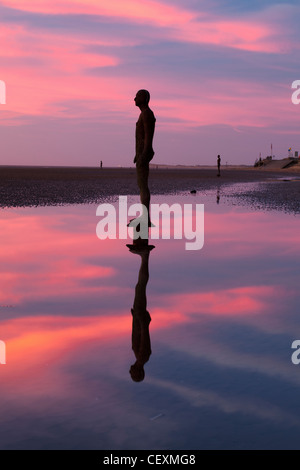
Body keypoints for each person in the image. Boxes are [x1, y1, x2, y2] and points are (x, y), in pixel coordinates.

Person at [133, 89, 156, 227]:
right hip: (141, 154)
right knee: (141, 184)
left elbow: (148, 136)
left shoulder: (147, 114)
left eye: (137, 96)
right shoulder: (143, 114)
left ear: (143, 98)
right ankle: (144, 216)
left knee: (143, 185)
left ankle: (145, 219)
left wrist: (145, 153)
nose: (134, 98)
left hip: (144, 154)